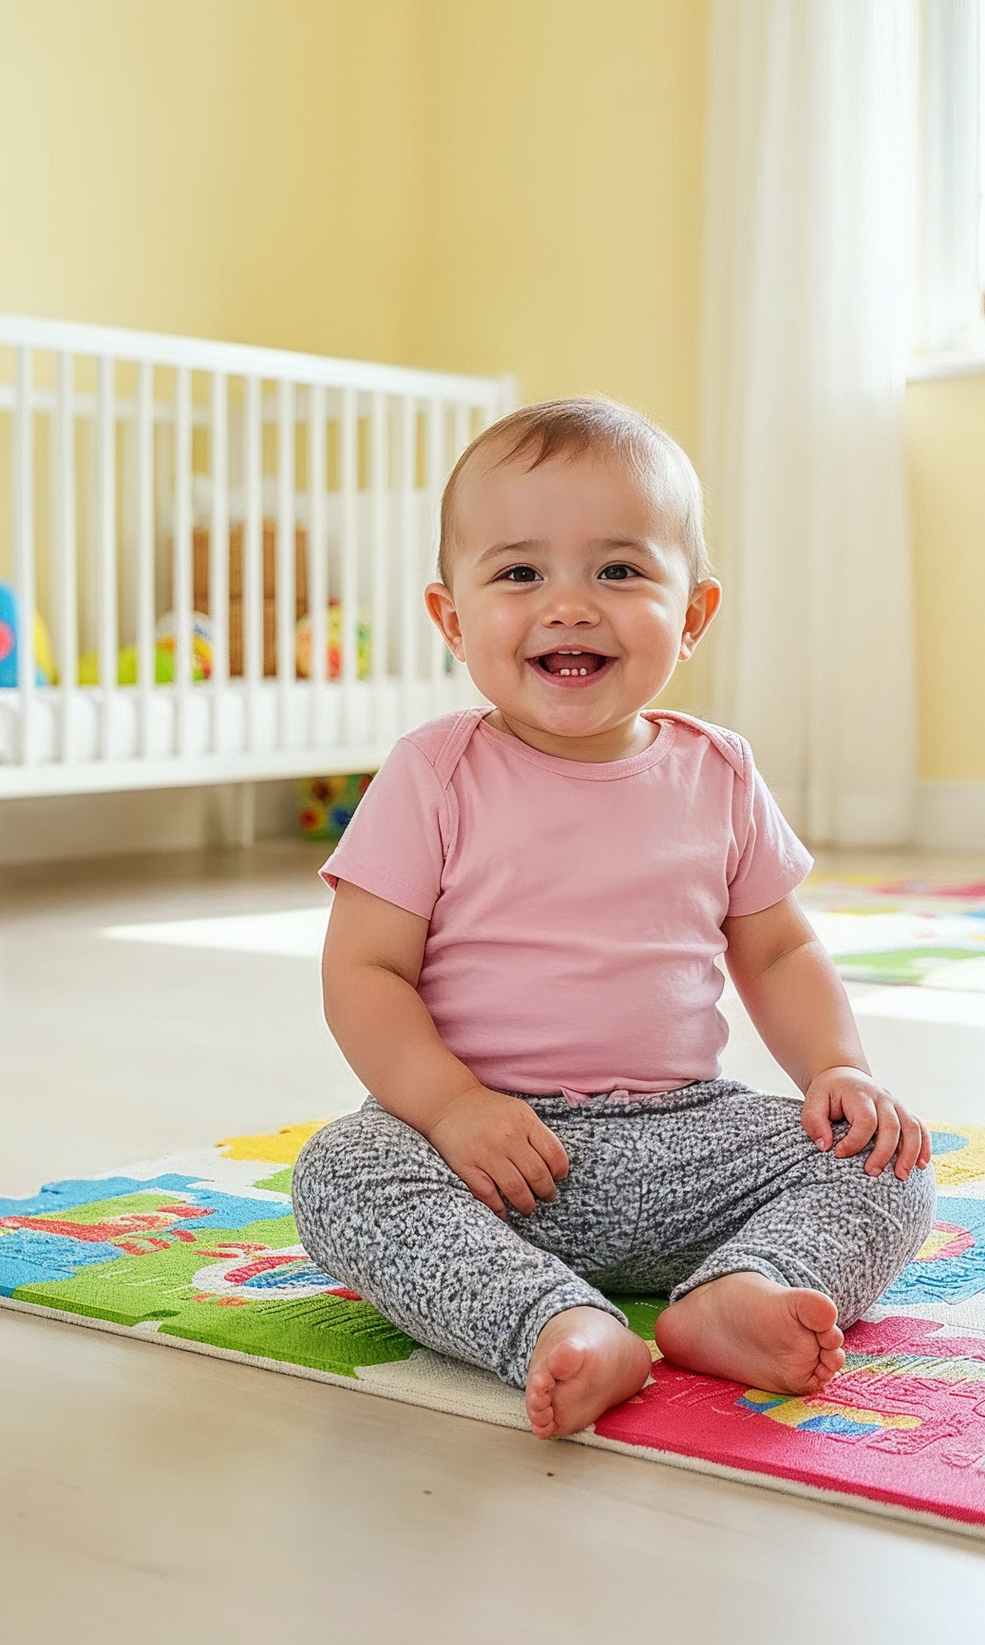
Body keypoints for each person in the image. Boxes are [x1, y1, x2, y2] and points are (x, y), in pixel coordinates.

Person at [293, 396, 934, 1439]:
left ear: (692, 614)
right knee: (342, 1171)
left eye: (620, 571)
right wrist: (451, 1108)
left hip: (687, 1142)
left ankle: (741, 1290)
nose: (570, 607)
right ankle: (554, 1322)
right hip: (490, 1155)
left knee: (888, 1162)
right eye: (519, 574)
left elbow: (778, 948)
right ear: (451, 619)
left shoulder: (718, 770)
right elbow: (363, 972)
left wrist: (837, 1067)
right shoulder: (432, 772)